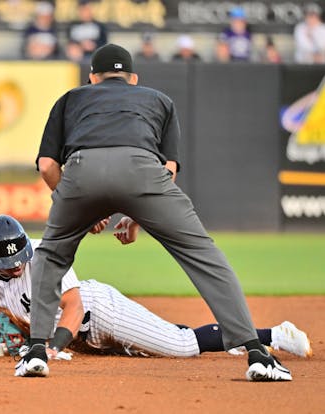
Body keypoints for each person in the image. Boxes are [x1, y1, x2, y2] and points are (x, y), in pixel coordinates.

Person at [18, 43, 294, 381]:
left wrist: (75, 205)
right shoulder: (159, 99)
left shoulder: (71, 98)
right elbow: (169, 168)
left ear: (92, 78)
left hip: (81, 173)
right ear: (132, 78)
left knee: (50, 255)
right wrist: (138, 215)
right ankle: (256, 353)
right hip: (145, 174)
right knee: (203, 255)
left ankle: (35, 352)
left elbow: (47, 166)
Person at [0, 215, 312, 365]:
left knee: (180, 346)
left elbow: (73, 307)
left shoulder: (45, 258)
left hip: (98, 312)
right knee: (155, 344)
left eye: (20, 259)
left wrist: (49, 348)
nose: (17, 266)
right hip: (82, 338)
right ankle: (238, 340)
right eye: (7, 263)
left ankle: (275, 334)